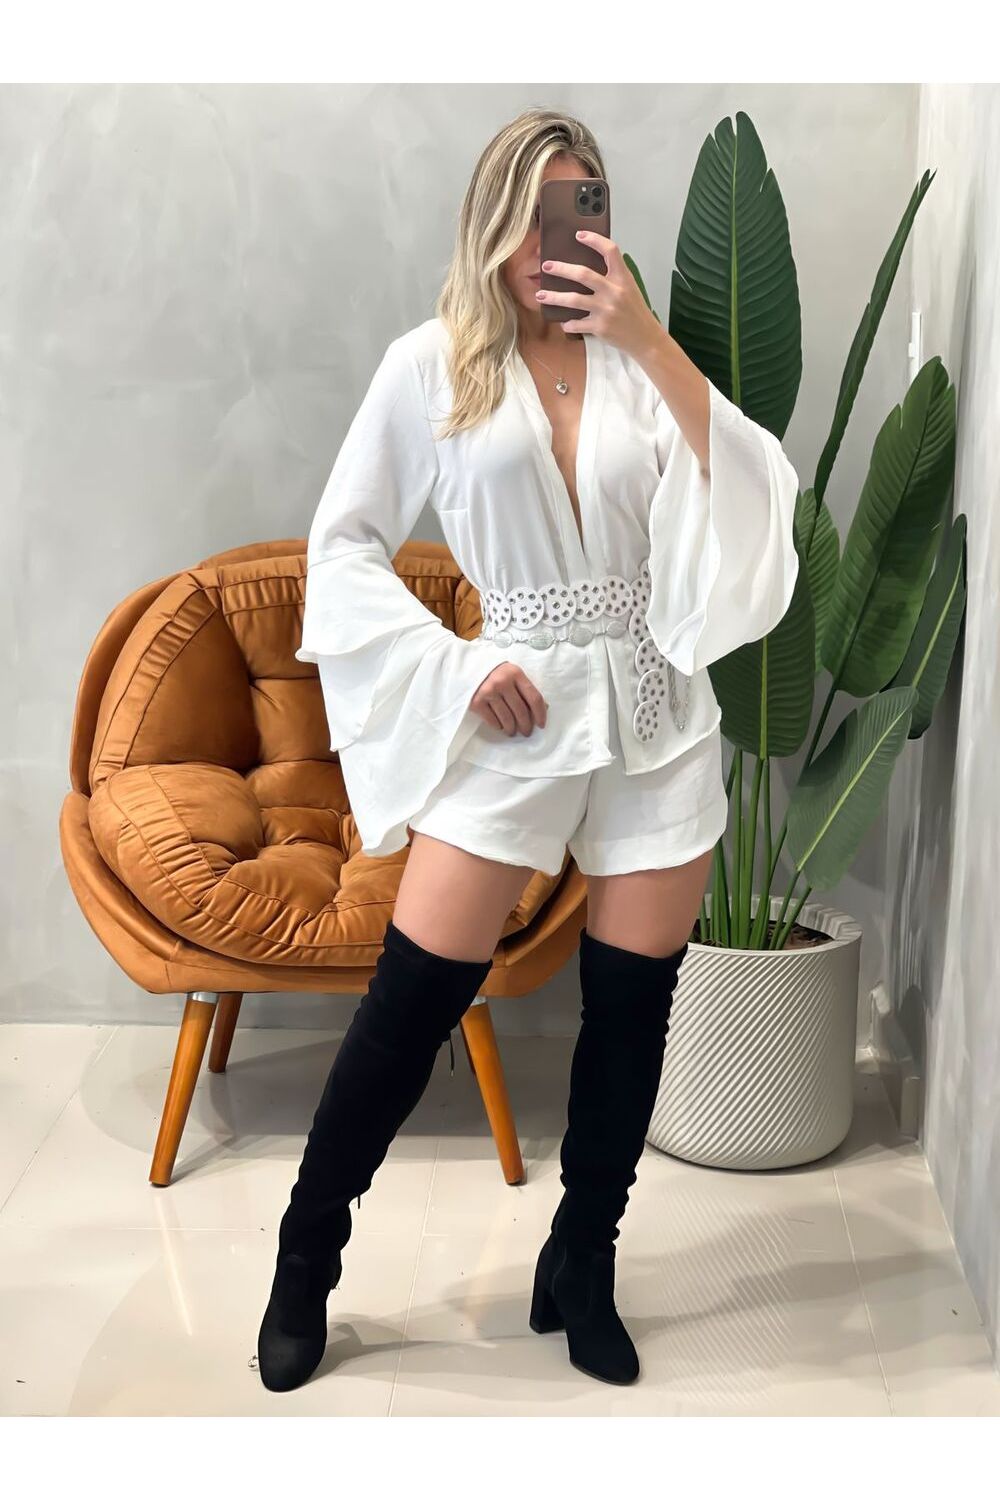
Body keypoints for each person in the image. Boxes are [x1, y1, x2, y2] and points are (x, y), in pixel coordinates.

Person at [257, 107, 800, 1392]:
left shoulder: (635, 360)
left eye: (586, 204)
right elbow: (341, 550)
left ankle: (582, 1259)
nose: (564, 234)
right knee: (411, 1004)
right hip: (518, 710)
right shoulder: (431, 366)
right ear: (497, 221)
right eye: (544, 208)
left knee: (630, 1015)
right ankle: (305, 1255)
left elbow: (749, 488)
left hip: (656, 714)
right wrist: (455, 667)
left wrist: (648, 336)